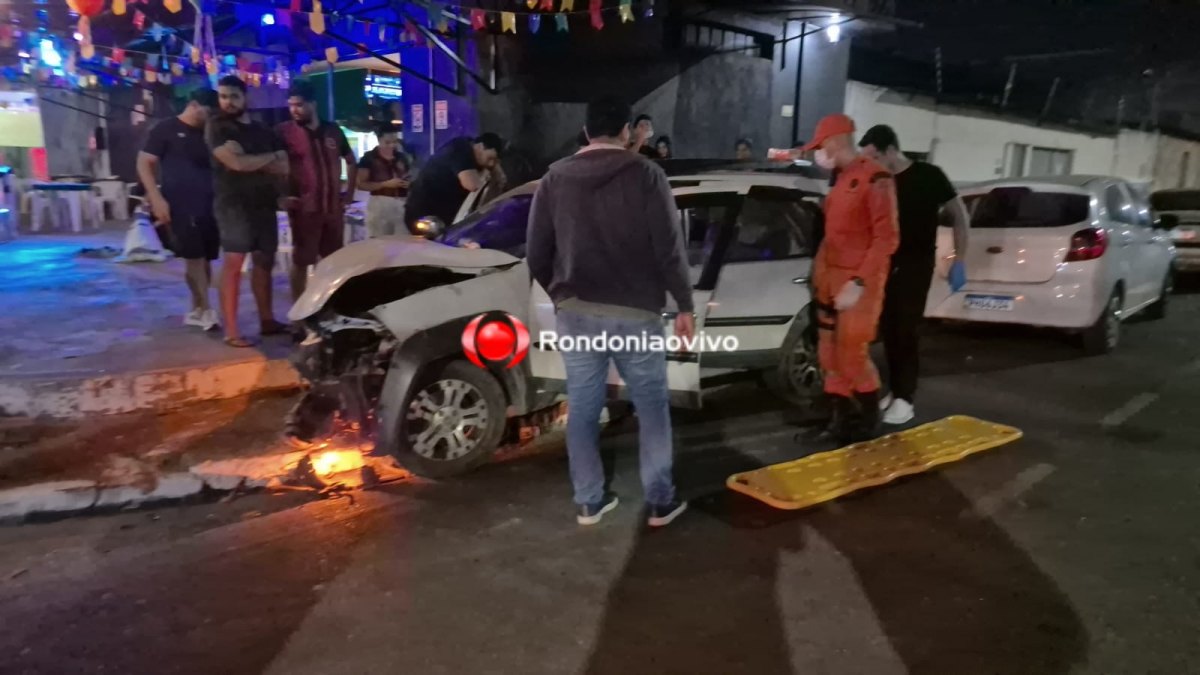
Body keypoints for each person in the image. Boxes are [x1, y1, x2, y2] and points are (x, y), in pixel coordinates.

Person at [527, 95, 693, 528]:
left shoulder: (554, 179)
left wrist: (561, 295)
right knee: (652, 407)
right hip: (636, 313)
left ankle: (589, 501)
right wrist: (685, 305)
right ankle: (660, 502)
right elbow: (669, 248)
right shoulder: (647, 175)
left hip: (577, 313)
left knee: (583, 407)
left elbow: (536, 251)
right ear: (627, 131)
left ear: (585, 132)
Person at [859, 125, 969, 425]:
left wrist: (960, 259)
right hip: (884, 264)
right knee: (888, 329)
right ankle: (896, 390)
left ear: (891, 150)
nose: (871, 164)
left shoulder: (928, 175)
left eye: (875, 157)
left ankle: (906, 399)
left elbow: (959, 215)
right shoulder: (879, 182)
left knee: (905, 329)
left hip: (915, 264)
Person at [799, 114, 899, 443]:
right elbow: (832, 238)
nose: (819, 152)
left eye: (821, 145)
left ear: (835, 141)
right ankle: (839, 422)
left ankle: (870, 421)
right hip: (831, 281)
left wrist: (858, 282)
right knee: (828, 355)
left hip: (859, 285)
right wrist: (819, 275)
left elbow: (886, 239)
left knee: (851, 355)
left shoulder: (876, 178)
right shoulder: (841, 181)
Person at [206, 75, 290, 348]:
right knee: (233, 264)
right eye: (223, 97)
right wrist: (268, 159)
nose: (228, 102)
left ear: (246, 98)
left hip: (264, 203)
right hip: (233, 205)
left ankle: (267, 320)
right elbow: (236, 164)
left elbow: (284, 167)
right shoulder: (216, 127)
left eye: (234, 96)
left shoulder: (264, 130)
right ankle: (232, 331)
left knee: (264, 262)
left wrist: (249, 159)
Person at [137, 88, 220, 331]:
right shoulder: (165, 129)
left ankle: (196, 309)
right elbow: (144, 162)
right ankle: (206, 309)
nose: (210, 118)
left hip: (210, 204)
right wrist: (155, 198)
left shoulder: (210, 132)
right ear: (193, 105)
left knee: (206, 258)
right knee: (194, 257)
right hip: (180, 203)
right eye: (208, 112)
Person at [275, 80, 357, 302]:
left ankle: (329, 305)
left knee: (333, 261)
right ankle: (299, 311)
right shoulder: (284, 132)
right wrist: (281, 195)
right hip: (304, 210)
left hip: (332, 210)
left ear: (313, 104)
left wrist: (349, 195)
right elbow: (273, 165)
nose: (294, 110)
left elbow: (351, 161)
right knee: (301, 261)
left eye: (299, 105)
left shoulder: (333, 131)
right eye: (291, 105)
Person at [403, 132, 506, 232]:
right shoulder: (461, 149)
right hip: (424, 216)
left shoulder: (476, 154)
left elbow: (500, 182)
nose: (491, 164)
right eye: (490, 158)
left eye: (495, 161)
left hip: (445, 217)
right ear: (480, 146)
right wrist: (493, 172)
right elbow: (472, 185)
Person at [356, 125, 410, 237]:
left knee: (403, 241)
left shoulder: (402, 157)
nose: (392, 146)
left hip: (402, 204)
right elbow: (361, 184)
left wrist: (408, 184)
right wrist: (385, 184)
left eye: (395, 142)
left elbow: (409, 175)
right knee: (379, 241)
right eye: (387, 142)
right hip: (379, 204)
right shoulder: (368, 158)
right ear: (379, 140)